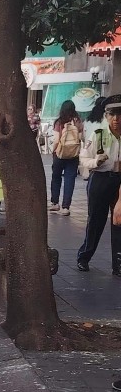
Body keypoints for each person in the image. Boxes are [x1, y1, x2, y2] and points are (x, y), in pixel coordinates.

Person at [76, 93, 121, 275]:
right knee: (96, 220)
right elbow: (83, 159)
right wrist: (96, 161)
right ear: (106, 116)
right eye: (112, 114)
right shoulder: (98, 135)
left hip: (119, 182)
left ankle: (118, 264)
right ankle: (84, 257)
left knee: (119, 221)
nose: (116, 119)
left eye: (120, 114)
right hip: (101, 179)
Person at [49, 100, 84, 216]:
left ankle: (55, 203)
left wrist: (53, 150)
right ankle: (65, 207)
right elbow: (81, 137)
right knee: (70, 180)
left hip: (60, 154)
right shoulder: (77, 121)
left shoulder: (59, 122)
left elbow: (56, 140)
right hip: (73, 155)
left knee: (56, 177)